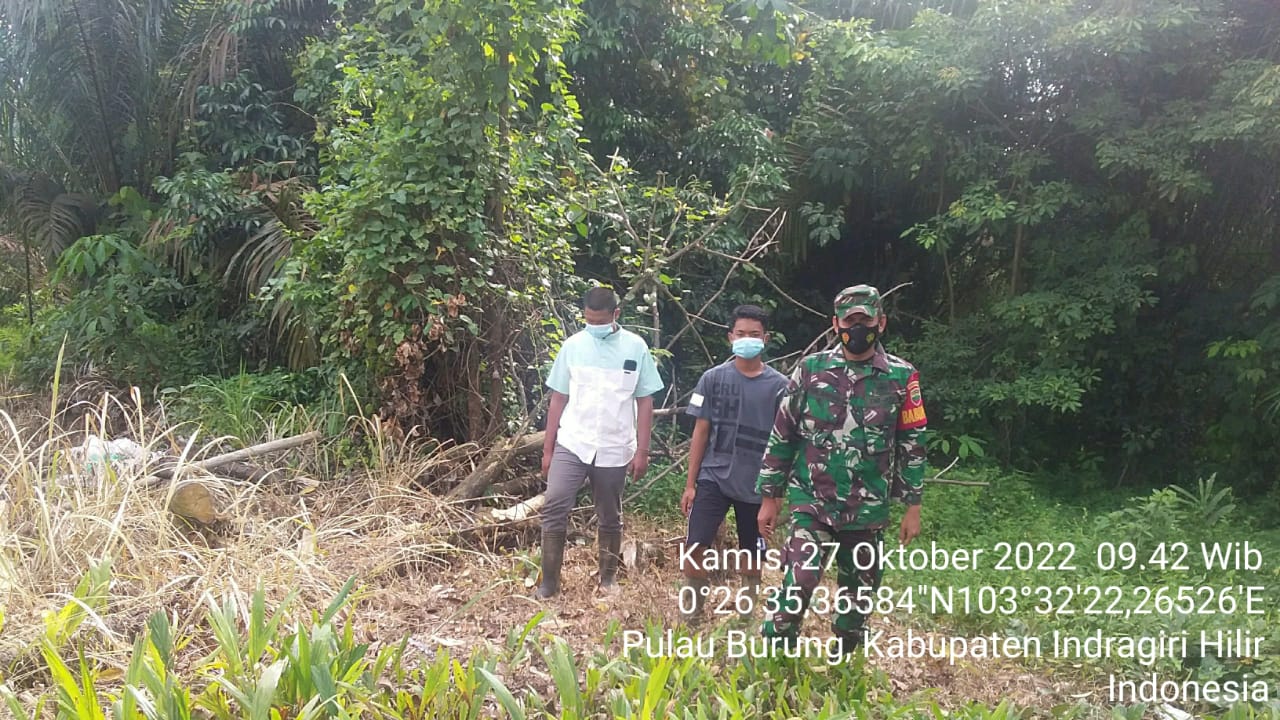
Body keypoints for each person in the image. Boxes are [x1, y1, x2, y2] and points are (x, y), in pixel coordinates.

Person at [756, 284, 928, 655]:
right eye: (850, 320)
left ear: (880, 322)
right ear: (836, 324)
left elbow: (912, 443)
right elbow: (783, 433)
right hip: (812, 498)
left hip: (867, 506)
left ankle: (847, 654)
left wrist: (912, 506)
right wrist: (770, 497)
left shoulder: (902, 377)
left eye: (865, 319)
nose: (858, 327)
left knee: (860, 592)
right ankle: (774, 652)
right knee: (799, 580)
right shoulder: (811, 369)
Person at [535, 287, 665, 599]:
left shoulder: (636, 347)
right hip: (573, 441)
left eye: (600, 320)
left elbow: (645, 401)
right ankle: (549, 583)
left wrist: (642, 451)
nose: (593, 325)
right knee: (554, 503)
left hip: (615, 446)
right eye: (589, 320)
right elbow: (558, 399)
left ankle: (608, 579)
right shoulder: (574, 346)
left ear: (616, 315)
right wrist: (548, 449)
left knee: (610, 514)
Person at [679, 305, 789, 624]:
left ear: (765, 339)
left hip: (757, 485)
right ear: (730, 337)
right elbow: (701, 432)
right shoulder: (712, 379)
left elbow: (784, 442)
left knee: (752, 553)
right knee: (695, 546)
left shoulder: (780, 386)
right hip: (714, 476)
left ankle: (745, 616)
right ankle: (691, 616)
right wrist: (691, 483)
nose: (747, 340)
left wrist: (775, 494)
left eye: (754, 335)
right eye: (741, 334)